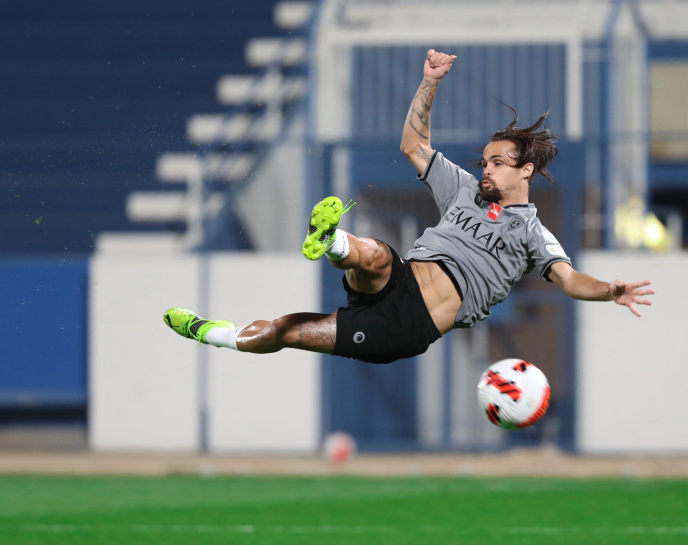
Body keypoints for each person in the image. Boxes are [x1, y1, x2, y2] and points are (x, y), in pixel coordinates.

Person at [164, 49, 654, 363]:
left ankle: (216, 334)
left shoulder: (532, 234)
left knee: (285, 329)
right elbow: (414, 146)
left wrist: (610, 290)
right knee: (377, 253)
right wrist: (430, 82)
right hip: (397, 278)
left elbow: (570, 280)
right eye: (484, 161)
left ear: (526, 170)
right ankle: (331, 240)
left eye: (499, 163)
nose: (487, 169)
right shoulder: (463, 189)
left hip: (404, 326)